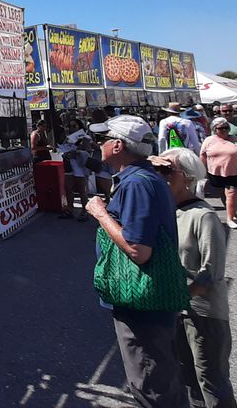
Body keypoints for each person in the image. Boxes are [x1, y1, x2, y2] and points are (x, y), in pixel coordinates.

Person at [84, 115, 186, 408]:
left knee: (150, 380)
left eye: (103, 139)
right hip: (147, 299)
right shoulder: (141, 177)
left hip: (143, 299)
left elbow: (138, 250)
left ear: (117, 146)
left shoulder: (137, 184)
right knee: (155, 376)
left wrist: (100, 213)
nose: (98, 144)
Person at [152, 148, 236, 408]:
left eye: (167, 171)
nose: (159, 176)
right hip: (173, 309)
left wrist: (179, 298)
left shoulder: (203, 216)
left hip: (201, 312)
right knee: (184, 377)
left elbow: (211, 273)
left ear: (187, 177)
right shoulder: (164, 211)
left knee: (210, 378)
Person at [200, 118, 237, 230]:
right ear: (214, 129)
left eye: (226, 128)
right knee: (223, 194)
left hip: (236, 171)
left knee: (232, 194)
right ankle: (232, 211)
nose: (224, 130)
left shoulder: (236, 139)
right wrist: (202, 170)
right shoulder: (209, 140)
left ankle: (230, 218)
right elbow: (203, 155)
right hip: (216, 171)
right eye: (220, 128)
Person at [58, 131, 93, 221]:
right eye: (70, 126)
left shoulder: (85, 137)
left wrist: (77, 152)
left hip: (80, 167)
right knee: (68, 189)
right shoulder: (67, 137)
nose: (71, 128)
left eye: (74, 126)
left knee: (82, 190)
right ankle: (70, 209)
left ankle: (85, 211)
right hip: (69, 166)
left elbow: (88, 150)